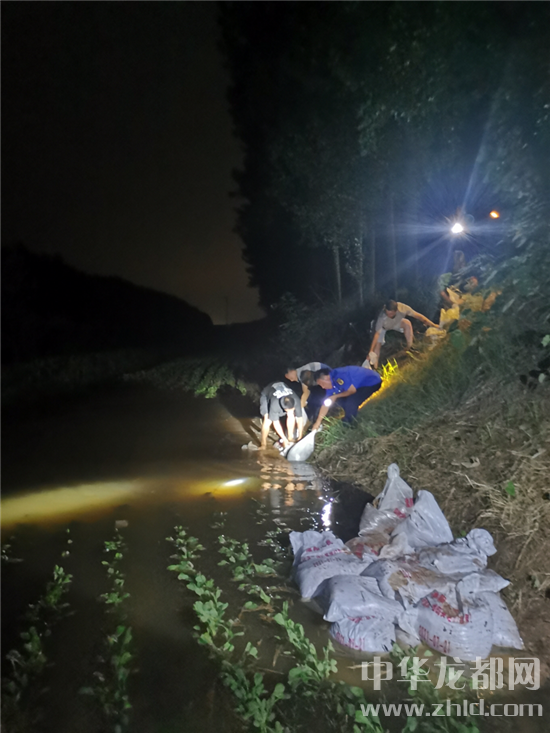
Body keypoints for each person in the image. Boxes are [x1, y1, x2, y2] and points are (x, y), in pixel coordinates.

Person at [367, 299, 440, 368]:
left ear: (396, 310)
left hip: (395, 323)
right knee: (377, 346)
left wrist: (433, 325)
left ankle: (409, 348)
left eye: (391, 314)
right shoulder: (382, 316)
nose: (389, 315)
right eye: (387, 313)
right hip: (383, 327)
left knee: (407, 323)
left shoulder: (403, 308)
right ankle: (375, 367)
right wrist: (371, 350)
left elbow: (419, 316)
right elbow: (377, 334)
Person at [311, 366, 382, 430]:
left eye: (322, 384)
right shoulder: (330, 386)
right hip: (358, 387)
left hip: (372, 382)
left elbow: (351, 391)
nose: (323, 387)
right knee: (339, 401)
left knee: (351, 402)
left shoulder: (340, 375)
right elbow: (325, 404)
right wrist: (318, 422)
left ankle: (348, 424)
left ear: (327, 378)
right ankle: (352, 414)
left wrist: (335, 396)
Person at [259, 381, 305, 450]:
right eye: (288, 410)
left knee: (291, 415)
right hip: (266, 395)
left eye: (292, 409)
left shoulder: (296, 400)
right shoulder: (275, 404)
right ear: (284, 408)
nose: (290, 411)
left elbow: (299, 419)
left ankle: (290, 437)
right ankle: (263, 444)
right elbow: (276, 423)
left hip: (282, 388)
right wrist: (284, 439)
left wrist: (300, 436)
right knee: (267, 420)